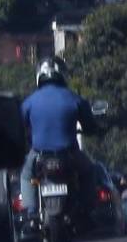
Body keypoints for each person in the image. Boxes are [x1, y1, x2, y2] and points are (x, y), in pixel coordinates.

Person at [19, 58, 99, 210]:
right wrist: (94, 129)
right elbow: (90, 125)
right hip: (69, 153)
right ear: (62, 75)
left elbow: (18, 126)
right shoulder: (74, 98)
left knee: (25, 176)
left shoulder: (29, 101)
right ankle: (88, 208)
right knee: (89, 171)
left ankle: (30, 212)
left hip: (39, 154)